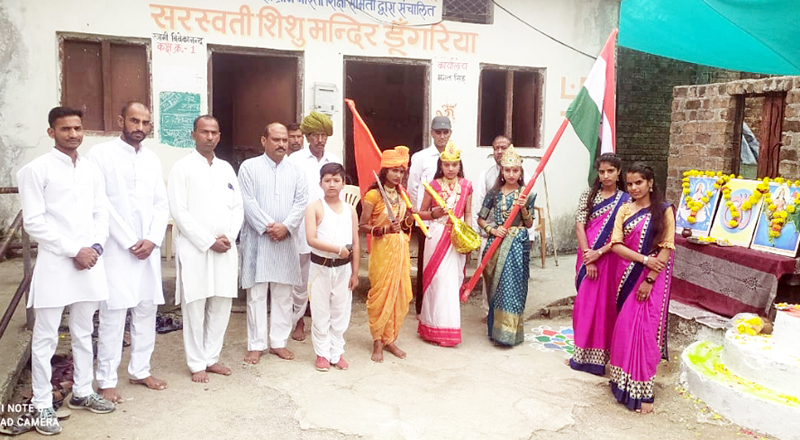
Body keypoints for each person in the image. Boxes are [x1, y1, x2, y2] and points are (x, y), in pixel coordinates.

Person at [17, 107, 115, 435]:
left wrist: (95, 248)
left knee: (84, 330)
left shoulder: (90, 169)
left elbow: (102, 213)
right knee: (46, 336)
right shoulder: (35, 170)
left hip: (90, 261)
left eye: (77, 128)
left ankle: (83, 391)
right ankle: (42, 403)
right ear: (51, 132)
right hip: (56, 263)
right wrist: (74, 250)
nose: (73, 134)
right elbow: (34, 222)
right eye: (65, 129)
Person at [88, 102, 168, 403]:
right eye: (134, 121)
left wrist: (153, 239)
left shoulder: (152, 159)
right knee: (114, 313)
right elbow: (100, 203)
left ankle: (140, 370)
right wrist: (129, 241)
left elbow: (161, 203)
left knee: (147, 309)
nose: (140, 128)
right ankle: (107, 380)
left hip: (148, 249)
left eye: (145, 123)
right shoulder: (100, 155)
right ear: (121, 120)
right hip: (116, 249)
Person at [167, 115, 243, 383]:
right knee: (195, 305)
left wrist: (229, 236)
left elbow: (237, 207)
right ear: (193, 135)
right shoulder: (182, 168)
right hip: (195, 248)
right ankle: (196, 362)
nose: (209, 137)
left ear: (219, 136)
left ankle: (212, 357)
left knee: (221, 303)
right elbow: (179, 212)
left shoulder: (226, 168)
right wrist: (208, 241)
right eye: (204, 132)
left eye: (214, 133)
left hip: (225, 247)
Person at [608, 163, 675, 414]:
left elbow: (666, 247)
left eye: (639, 182)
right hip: (627, 275)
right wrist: (645, 260)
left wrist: (650, 279)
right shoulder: (624, 210)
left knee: (645, 332)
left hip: (651, 280)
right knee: (625, 328)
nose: (634, 188)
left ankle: (642, 390)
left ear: (650, 183)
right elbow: (616, 245)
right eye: (630, 184)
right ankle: (622, 383)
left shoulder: (664, 211)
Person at [239, 122, 308, 364]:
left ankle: (279, 342)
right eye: (276, 139)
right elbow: (247, 202)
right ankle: (256, 345)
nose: (281, 144)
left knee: (283, 293)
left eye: (284, 140)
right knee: (257, 294)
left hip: (286, 239)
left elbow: (301, 202)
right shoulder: (249, 168)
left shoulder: (297, 170)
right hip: (258, 239)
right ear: (264, 141)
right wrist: (270, 227)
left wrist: (286, 227)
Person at [568, 153, 629, 375]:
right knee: (584, 304)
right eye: (602, 171)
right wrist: (589, 256)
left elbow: (621, 235)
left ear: (618, 172)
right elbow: (579, 227)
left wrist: (599, 253)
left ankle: (601, 357)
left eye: (610, 171)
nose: (606, 175)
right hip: (587, 257)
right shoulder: (589, 195)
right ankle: (580, 354)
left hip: (610, 258)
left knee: (605, 305)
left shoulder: (626, 200)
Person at [288, 112, 342, 342]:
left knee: (324, 276)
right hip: (301, 227)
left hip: (327, 226)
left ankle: (322, 324)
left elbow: (339, 194)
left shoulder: (333, 159)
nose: (320, 140)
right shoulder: (295, 160)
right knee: (300, 278)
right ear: (307, 136)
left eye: (323, 135)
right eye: (315, 135)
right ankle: (298, 320)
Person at [358, 146, 414, 362]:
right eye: (394, 170)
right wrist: (383, 229)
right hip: (382, 249)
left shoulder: (402, 194)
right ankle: (377, 342)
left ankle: (390, 339)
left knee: (399, 294)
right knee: (380, 295)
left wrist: (408, 219)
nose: (398, 175)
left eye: (401, 171)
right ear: (385, 171)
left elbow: (404, 225)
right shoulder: (373, 195)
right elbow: (362, 226)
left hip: (400, 248)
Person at [476, 145, 536, 346]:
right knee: (497, 288)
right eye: (507, 170)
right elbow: (481, 219)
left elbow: (529, 224)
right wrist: (492, 230)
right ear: (501, 171)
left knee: (514, 288)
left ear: (520, 172)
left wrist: (523, 208)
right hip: (497, 244)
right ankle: (496, 332)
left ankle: (510, 334)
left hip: (518, 245)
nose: (511, 174)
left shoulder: (526, 194)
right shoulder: (494, 193)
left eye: (515, 170)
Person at [305, 163, 359, 371]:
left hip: (343, 269)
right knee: (320, 311)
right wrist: (337, 249)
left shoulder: (350, 210)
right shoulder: (314, 208)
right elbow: (311, 239)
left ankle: (337, 352)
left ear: (343, 183)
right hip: (320, 267)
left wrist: (355, 272)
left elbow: (356, 243)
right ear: (320, 183)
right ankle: (322, 354)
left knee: (340, 311)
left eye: (336, 180)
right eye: (327, 180)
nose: (332, 184)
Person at [417, 141, 472, 346]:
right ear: (441, 165)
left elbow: (467, 213)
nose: (450, 169)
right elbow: (419, 213)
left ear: (459, 165)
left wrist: (467, 236)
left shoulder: (466, 186)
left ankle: (448, 331)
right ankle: (431, 329)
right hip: (436, 235)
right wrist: (434, 214)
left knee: (451, 283)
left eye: (454, 164)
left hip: (456, 238)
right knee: (437, 281)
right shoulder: (432, 186)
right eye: (447, 165)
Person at [408, 116, 453, 313]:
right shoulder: (421, 157)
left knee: (445, 264)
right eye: (438, 132)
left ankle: (441, 307)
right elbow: (413, 188)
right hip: (426, 220)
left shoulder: (454, 156)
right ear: (432, 133)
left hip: (448, 221)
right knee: (425, 263)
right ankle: (422, 308)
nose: (442, 136)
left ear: (450, 133)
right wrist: (419, 215)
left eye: (445, 132)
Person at [472, 135, 512, 322]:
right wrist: (478, 233)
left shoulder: (522, 175)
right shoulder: (485, 175)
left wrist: (528, 236)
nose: (500, 151)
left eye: (504, 147)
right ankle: (489, 312)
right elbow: (479, 206)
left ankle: (508, 314)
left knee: (509, 276)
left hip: (512, 236)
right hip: (489, 234)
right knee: (488, 274)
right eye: (496, 148)